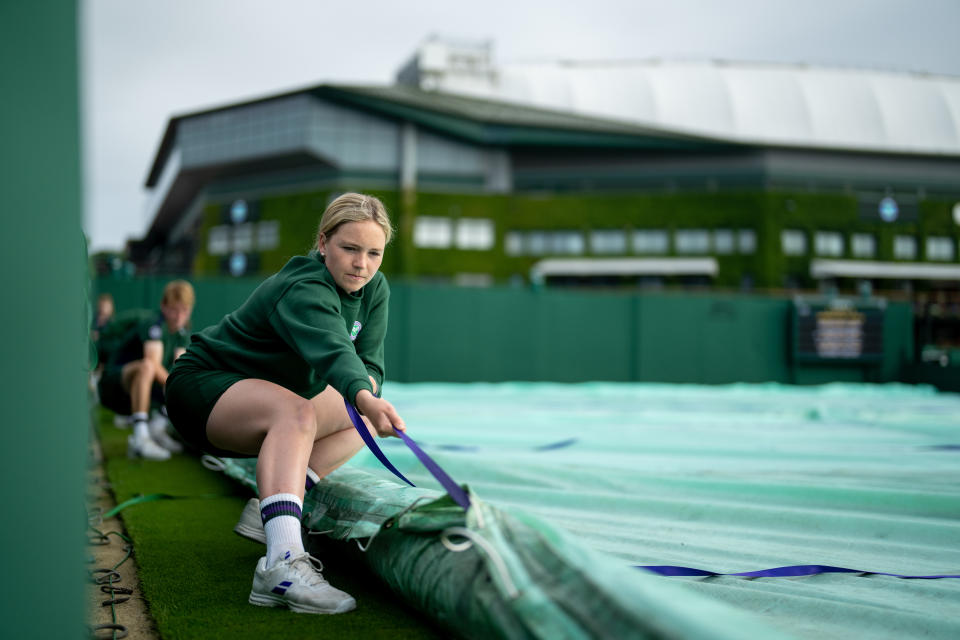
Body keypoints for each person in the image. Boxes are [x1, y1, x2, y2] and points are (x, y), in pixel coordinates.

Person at [165, 193, 405, 615]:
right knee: (299, 411)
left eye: (374, 253)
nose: (361, 264)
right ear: (323, 242)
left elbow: (369, 363)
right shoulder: (304, 283)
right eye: (349, 248)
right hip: (204, 388)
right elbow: (335, 352)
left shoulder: (374, 288)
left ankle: (268, 512)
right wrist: (364, 394)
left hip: (266, 395)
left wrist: (369, 396)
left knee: (360, 419)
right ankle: (281, 566)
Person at [97, 280, 195, 460]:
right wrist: (177, 389)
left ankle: (157, 428)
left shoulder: (182, 333)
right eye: (174, 309)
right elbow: (153, 363)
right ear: (163, 306)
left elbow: (180, 368)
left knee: (184, 381)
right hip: (114, 385)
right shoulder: (154, 324)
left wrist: (185, 389)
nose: (179, 316)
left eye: (185, 310)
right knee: (148, 367)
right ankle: (140, 438)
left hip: (146, 393)